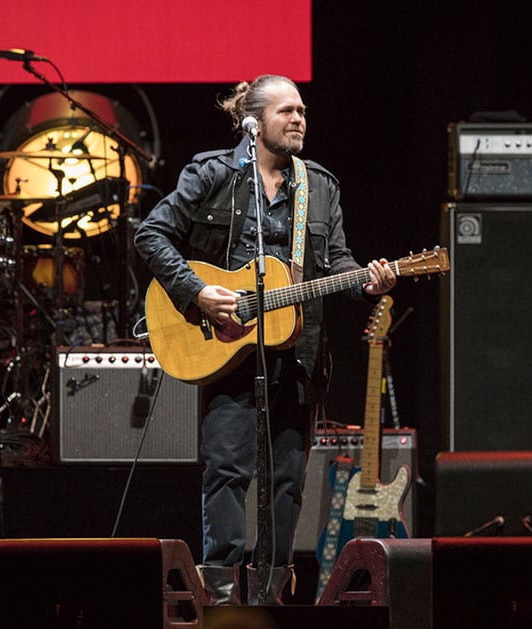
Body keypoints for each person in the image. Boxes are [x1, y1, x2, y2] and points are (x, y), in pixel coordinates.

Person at [133, 75, 396, 605]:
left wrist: (368, 283)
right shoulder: (213, 173)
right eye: (287, 111)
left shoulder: (319, 186)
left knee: (287, 483)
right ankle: (225, 601)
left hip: (298, 359)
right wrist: (198, 292)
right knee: (227, 474)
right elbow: (150, 235)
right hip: (227, 351)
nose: (299, 119)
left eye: (302, 110)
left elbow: (336, 263)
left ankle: (271, 598)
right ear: (252, 122)